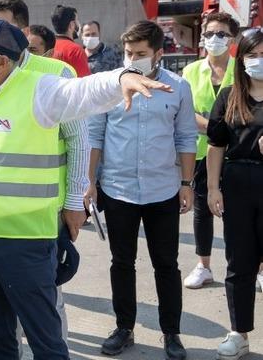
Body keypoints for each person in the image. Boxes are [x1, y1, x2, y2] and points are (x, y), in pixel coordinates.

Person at [0, 19, 170, 360]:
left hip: (25, 241)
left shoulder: (40, 90)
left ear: (2, 61)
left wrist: (121, 77)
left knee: (45, 342)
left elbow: (84, 93)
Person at [87, 20, 196, 359]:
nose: (132, 60)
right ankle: (124, 328)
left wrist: (186, 183)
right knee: (122, 262)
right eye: (128, 53)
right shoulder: (111, 87)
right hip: (118, 189)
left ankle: (172, 334)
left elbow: (186, 137)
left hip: (163, 189)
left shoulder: (178, 88)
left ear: (159, 54)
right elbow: (95, 136)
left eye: (140, 54)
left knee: (167, 264)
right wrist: (89, 182)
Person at [0, 0, 87, 349]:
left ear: (25, 33)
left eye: (0, 28)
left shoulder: (56, 74)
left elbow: (78, 141)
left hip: (44, 215)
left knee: (47, 311)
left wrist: (74, 201)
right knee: (3, 322)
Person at [206, 28, 263, 360]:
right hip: (238, 183)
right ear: (240, 59)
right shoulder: (229, 96)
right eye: (252, 55)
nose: (258, 61)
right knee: (239, 262)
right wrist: (213, 188)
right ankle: (239, 331)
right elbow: (216, 145)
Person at [182, 12, 238, 289]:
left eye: (221, 34)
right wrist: (216, 129)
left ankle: (253, 265)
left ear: (233, 39)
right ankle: (204, 265)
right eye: (209, 34)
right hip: (202, 151)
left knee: (241, 211)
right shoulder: (191, 71)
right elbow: (185, 111)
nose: (214, 39)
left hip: (239, 152)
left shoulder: (243, 68)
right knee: (203, 209)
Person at [50, 5, 91, 77]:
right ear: (71, 25)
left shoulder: (47, 47)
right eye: (77, 20)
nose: (79, 24)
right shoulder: (75, 50)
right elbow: (85, 83)